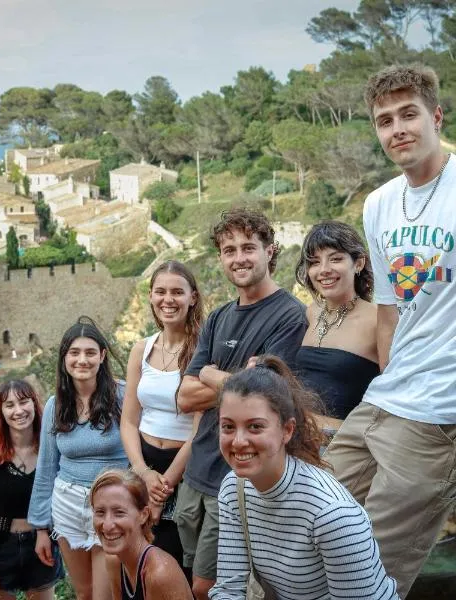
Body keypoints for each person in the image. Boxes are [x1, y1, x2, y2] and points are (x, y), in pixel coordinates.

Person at [324, 63, 456, 598]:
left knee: (370, 567)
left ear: (436, 116)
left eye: (409, 114)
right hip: (384, 399)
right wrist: (389, 376)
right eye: (385, 120)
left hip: (435, 416)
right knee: (304, 509)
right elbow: (387, 310)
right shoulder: (378, 203)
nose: (397, 128)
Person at [175, 208, 308, 600]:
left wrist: (212, 374)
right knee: (192, 577)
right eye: (229, 249)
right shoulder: (217, 317)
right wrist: (237, 376)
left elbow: (264, 394)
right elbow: (184, 397)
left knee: (208, 587)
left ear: (270, 250)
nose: (239, 258)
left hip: (235, 478)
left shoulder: (289, 316)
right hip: (197, 469)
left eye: (249, 247)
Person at [210, 356, 399, 600]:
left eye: (255, 426)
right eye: (228, 427)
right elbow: (228, 589)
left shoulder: (333, 514)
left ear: (287, 430)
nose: (238, 441)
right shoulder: (233, 489)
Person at [28, 316, 128, 600]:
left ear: (102, 356)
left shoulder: (122, 396)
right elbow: (46, 469)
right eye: (74, 352)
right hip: (67, 506)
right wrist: (40, 529)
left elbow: (139, 450)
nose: (82, 360)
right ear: (64, 358)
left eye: (89, 352)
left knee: (104, 595)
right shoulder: (55, 405)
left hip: (110, 506)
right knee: (84, 594)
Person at [120, 260, 203, 575]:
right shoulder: (141, 349)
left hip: (181, 467)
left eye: (177, 292)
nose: (168, 300)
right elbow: (129, 421)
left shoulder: (200, 351)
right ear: (151, 297)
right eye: (161, 292)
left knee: (170, 563)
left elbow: (199, 430)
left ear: (192, 297)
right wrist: (143, 473)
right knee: (135, 561)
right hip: (143, 464)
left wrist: (163, 486)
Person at [0, 379, 63, 599]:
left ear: (35, 404)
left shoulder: (52, 448)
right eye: (9, 405)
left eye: (23, 402)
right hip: (0, 548)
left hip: (42, 546)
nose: (18, 411)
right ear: (0, 412)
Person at [294, 220, 379, 431]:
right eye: (314, 262)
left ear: (358, 263)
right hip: (297, 441)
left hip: (343, 446)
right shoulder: (311, 313)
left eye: (335, 259)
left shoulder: (379, 319)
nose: (324, 270)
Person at [91, 469, 193, 600]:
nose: (107, 525)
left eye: (119, 513)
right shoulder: (114, 560)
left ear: (143, 515)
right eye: (100, 512)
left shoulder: (160, 573)